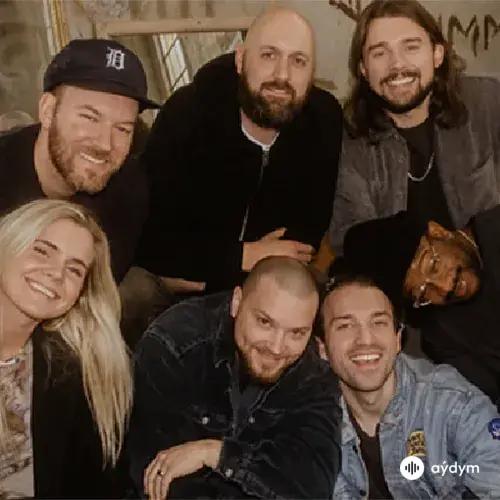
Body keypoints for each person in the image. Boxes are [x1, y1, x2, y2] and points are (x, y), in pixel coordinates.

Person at [134, 7, 343, 299]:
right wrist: (245, 256)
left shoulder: (324, 120)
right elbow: (149, 241)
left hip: (262, 279)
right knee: (134, 292)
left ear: (312, 72)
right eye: (268, 55)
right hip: (169, 285)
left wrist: (223, 267)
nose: (282, 75)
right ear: (241, 59)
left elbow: (302, 242)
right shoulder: (187, 114)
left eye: (298, 61)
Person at [128, 256, 341, 499]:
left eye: (297, 333)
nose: (277, 347)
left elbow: (313, 486)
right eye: (265, 322)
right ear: (237, 302)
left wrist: (217, 454)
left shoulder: (313, 375)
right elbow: (158, 480)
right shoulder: (176, 345)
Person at [329, 0, 500, 254]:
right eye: (379, 53)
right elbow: (349, 237)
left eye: (411, 47)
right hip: (404, 276)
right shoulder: (350, 139)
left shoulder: (487, 102)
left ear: (437, 54)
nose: (397, 64)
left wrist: (471, 240)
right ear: (364, 69)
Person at [321, 271, 500, 499]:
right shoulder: (310, 421)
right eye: (345, 326)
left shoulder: (453, 403)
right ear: (322, 349)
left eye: (379, 323)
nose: (365, 340)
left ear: (397, 340)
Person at [0, 199, 133, 498]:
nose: (56, 274)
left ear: (80, 294)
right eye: (42, 251)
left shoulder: (71, 374)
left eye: (74, 270)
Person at [0, 38, 159, 282]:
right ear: (48, 111)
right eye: (90, 118)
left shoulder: (126, 192)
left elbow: (97, 293)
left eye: (123, 129)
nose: (105, 144)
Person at [336, 206, 500, 406]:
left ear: (439, 232)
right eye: (423, 293)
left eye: (433, 266)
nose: (445, 287)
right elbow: (484, 403)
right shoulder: (443, 334)